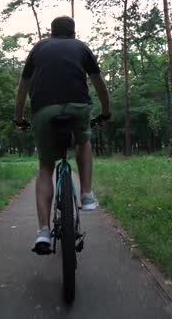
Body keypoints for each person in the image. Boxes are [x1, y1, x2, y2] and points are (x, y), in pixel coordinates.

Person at [13, 16, 110, 255]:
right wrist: (106, 112)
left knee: (46, 165)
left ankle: (43, 231)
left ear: (52, 32)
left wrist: (18, 117)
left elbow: (23, 87)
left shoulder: (39, 48)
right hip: (79, 106)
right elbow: (99, 84)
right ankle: (86, 194)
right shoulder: (82, 47)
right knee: (83, 141)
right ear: (73, 32)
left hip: (44, 109)